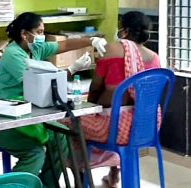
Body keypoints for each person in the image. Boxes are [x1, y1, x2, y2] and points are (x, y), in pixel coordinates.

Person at [0, 12, 107, 188]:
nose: (42, 36)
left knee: (60, 137)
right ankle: (14, 186)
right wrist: (72, 69)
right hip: (2, 116)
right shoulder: (13, 54)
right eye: (39, 32)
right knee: (34, 153)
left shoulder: (35, 48)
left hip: (27, 112)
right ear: (25, 34)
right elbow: (41, 84)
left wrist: (91, 40)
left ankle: (48, 184)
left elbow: (64, 44)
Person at [60, 11, 161, 187]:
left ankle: (80, 178)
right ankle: (115, 172)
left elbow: (96, 87)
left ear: (125, 30)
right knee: (110, 122)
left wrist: (88, 107)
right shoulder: (155, 58)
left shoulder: (113, 49)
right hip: (145, 126)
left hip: (114, 128)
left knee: (66, 124)